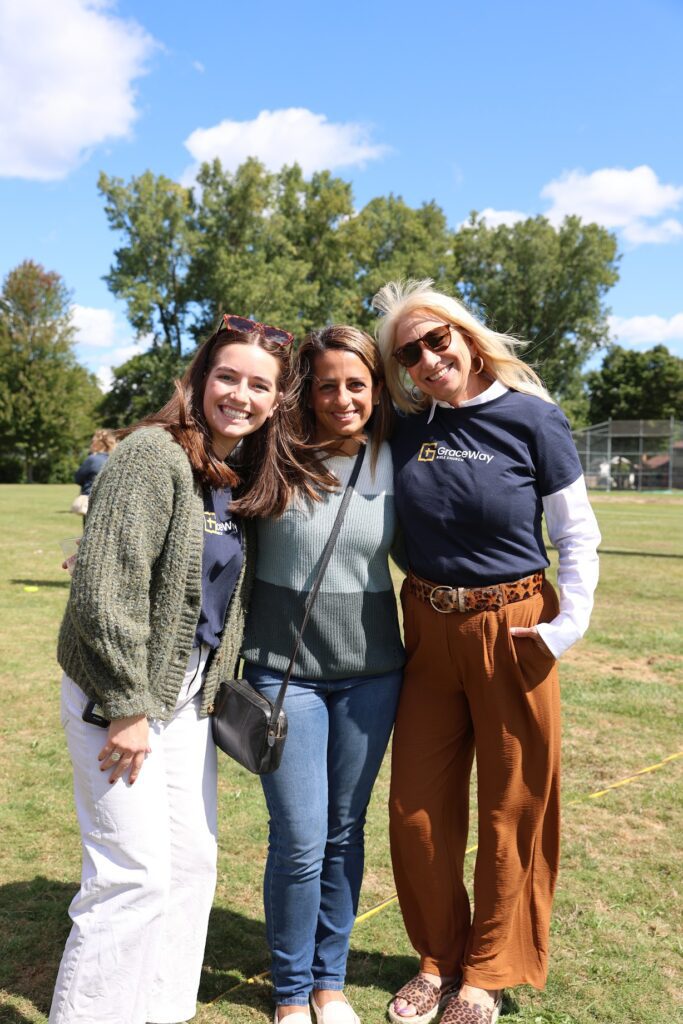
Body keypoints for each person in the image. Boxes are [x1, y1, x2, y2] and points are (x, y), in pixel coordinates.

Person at [50, 315, 325, 1024]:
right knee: (132, 876)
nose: (240, 394)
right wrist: (127, 708)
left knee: (191, 865)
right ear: (199, 379)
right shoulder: (153, 454)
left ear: (276, 400)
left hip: (187, 696)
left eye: (258, 385)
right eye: (227, 376)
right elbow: (104, 592)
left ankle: (160, 1010)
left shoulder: (235, 474)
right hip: (120, 692)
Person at [372, 280, 601, 1024]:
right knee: (415, 811)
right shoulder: (406, 428)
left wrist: (564, 627)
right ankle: (437, 959)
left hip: (514, 628)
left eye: (436, 339)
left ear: (466, 337)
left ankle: (486, 973)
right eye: (408, 354)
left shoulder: (532, 418)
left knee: (513, 806)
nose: (426, 359)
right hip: (427, 630)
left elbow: (575, 532)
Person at [240, 325, 405, 1024]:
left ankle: (328, 984)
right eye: (327, 385)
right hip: (285, 677)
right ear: (306, 391)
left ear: (377, 390)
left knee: (344, 832)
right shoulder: (270, 453)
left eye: (356, 384)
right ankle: (288, 991)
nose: (342, 398)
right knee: (300, 839)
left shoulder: (396, 457)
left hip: (372, 676)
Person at [70, 428, 117, 518]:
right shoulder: (116, 459)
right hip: (110, 502)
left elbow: (78, 478)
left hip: (91, 503)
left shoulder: (92, 459)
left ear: (97, 443)